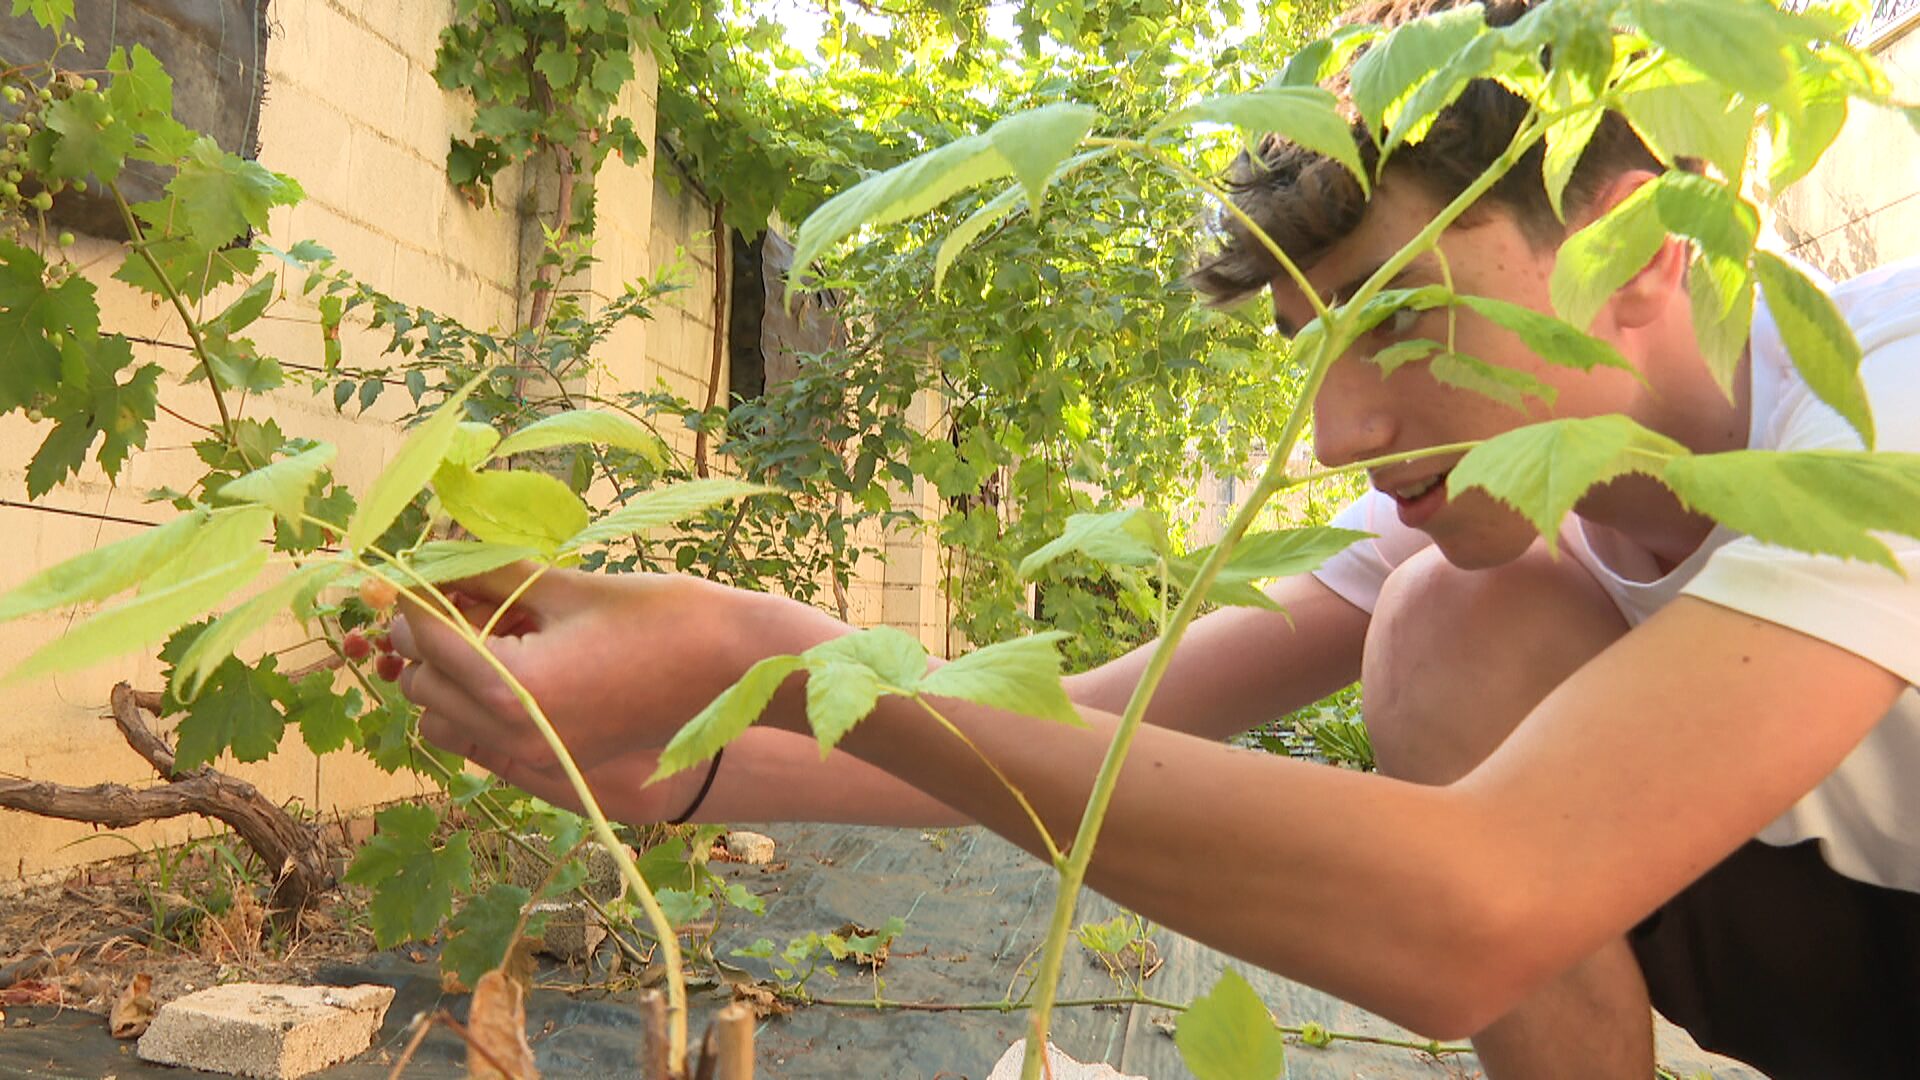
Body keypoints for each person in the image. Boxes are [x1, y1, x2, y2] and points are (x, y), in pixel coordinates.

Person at [389, 1, 1920, 1076]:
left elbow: (1477, 911)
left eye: (1407, 315)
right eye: (1324, 344)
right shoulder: (1505, 503)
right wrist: (691, 751)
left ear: (1638, 250)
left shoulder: (1887, 400)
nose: (1340, 431)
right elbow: (1092, 739)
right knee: (1458, 632)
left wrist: (764, 648)